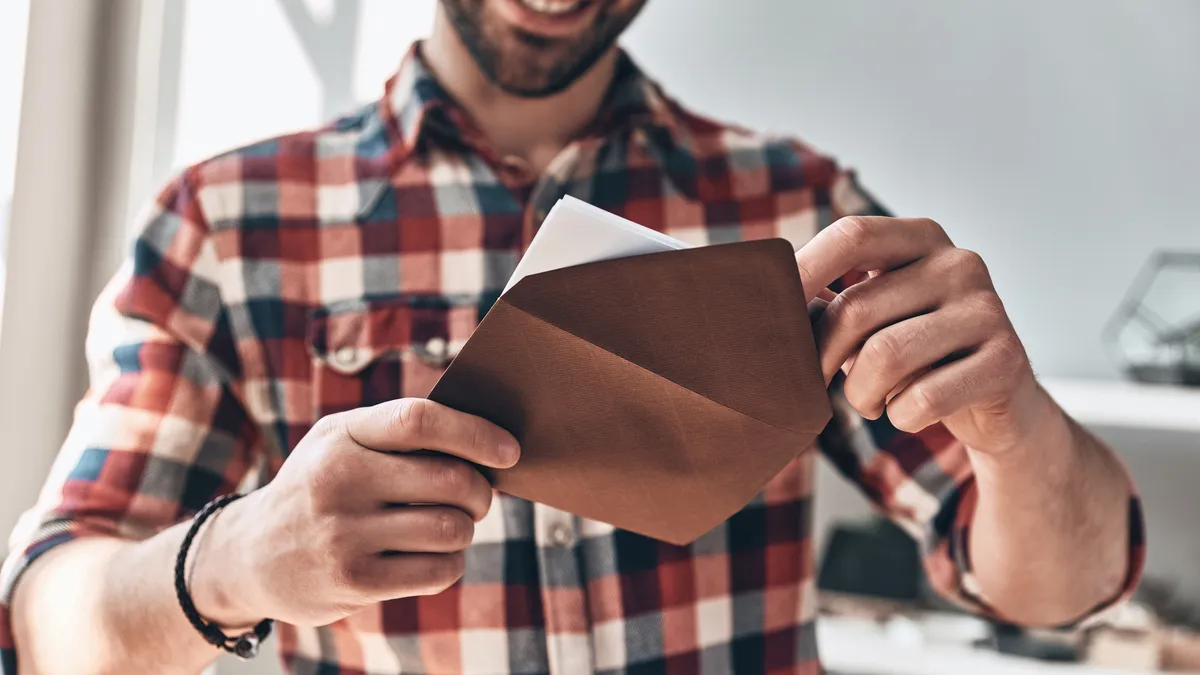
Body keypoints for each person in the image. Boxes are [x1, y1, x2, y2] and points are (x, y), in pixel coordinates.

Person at [1, 1, 1144, 673]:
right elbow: (50, 617)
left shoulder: (797, 207)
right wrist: (237, 558)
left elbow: (1058, 590)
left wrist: (1017, 430)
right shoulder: (225, 222)